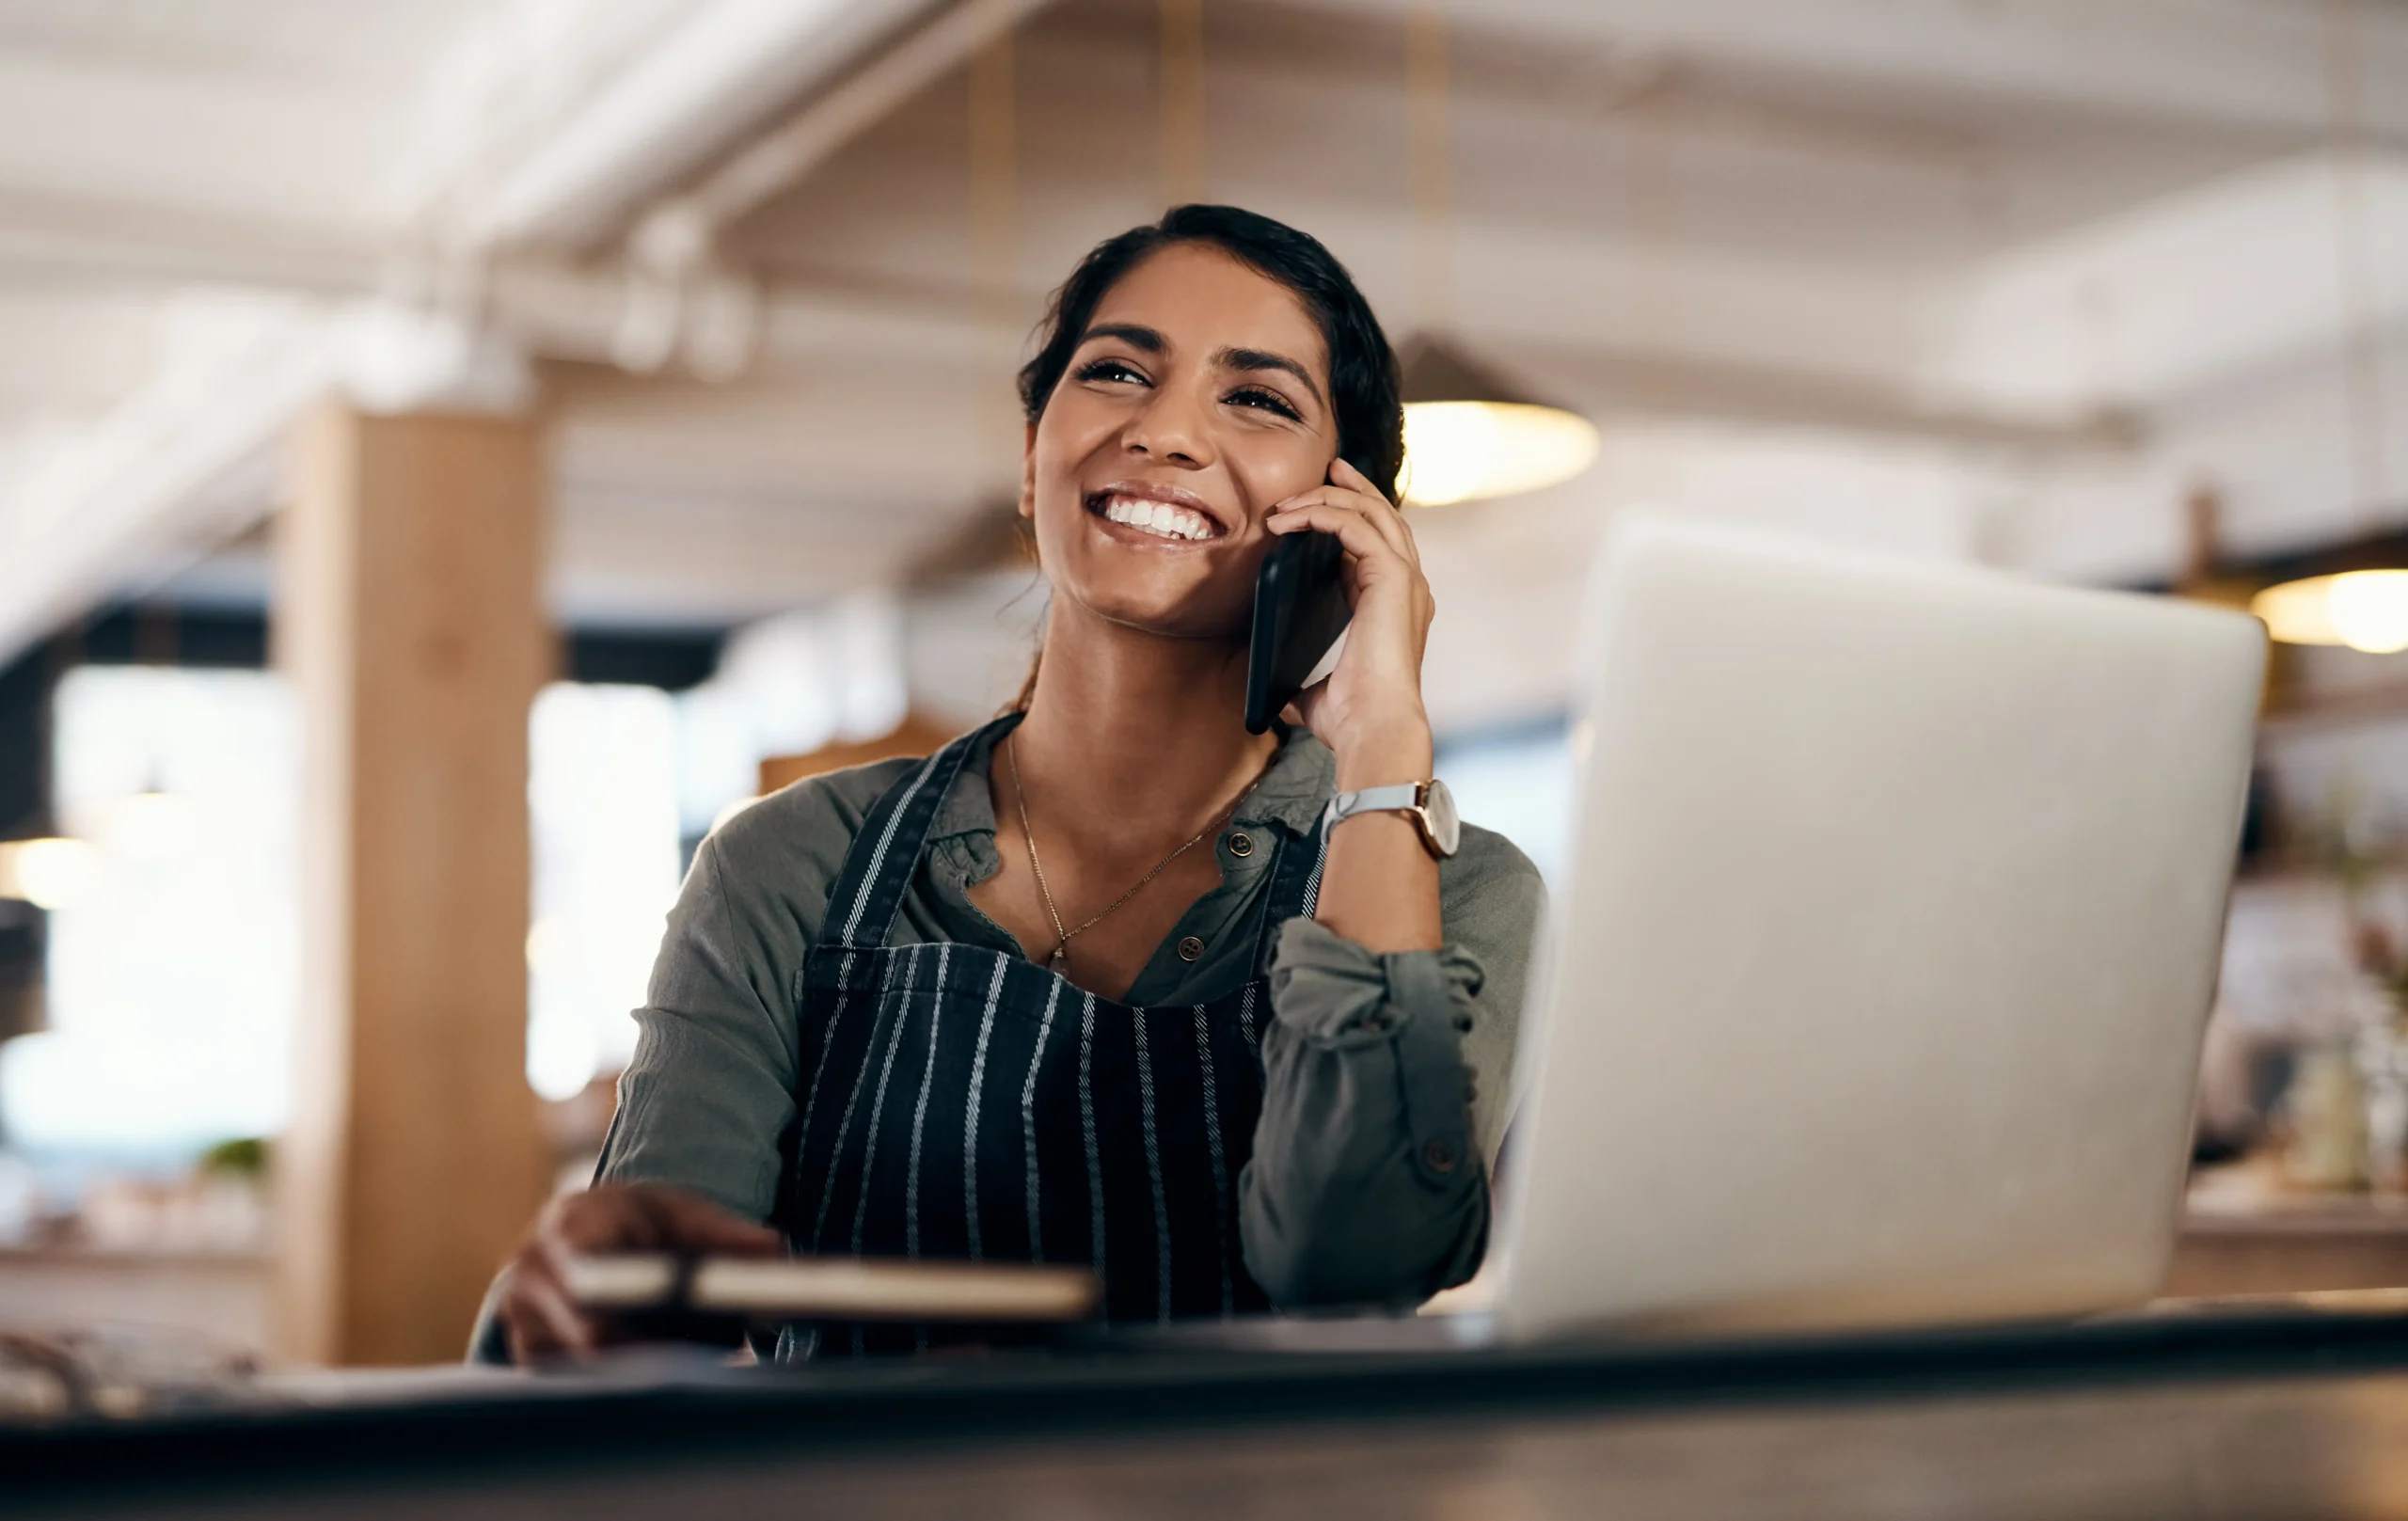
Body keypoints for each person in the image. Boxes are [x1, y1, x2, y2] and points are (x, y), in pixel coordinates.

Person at [483, 204, 1543, 1362]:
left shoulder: (1457, 885)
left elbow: (1357, 1261)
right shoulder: (793, 862)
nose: (1165, 429)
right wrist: (589, 1282)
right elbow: (633, 1326)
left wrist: (1385, 746)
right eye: (1117, 371)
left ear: (1351, 522)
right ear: (1032, 459)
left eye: (1257, 397)